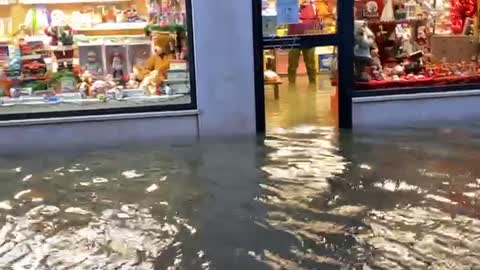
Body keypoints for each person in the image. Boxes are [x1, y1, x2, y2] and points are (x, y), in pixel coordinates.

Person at [287, 0, 320, 84]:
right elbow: (285, 16)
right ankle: (291, 85)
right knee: (292, 65)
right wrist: (297, 7)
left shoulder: (314, 5)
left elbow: (319, 20)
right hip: (293, 38)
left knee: (311, 64)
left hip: (310, 38)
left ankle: (313, 85)